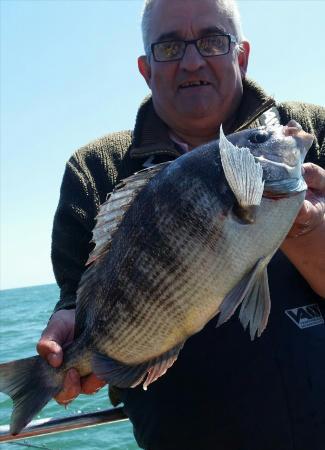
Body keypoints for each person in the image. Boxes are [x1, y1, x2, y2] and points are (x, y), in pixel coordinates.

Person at [37, 0, 325, 448]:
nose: (192, 61)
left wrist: (309, 230)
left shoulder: (313, 130)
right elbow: (78, 295)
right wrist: (70, 332)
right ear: (146, 68)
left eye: (212, 40)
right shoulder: (95, 169)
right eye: (169, 47)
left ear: (242, 54)